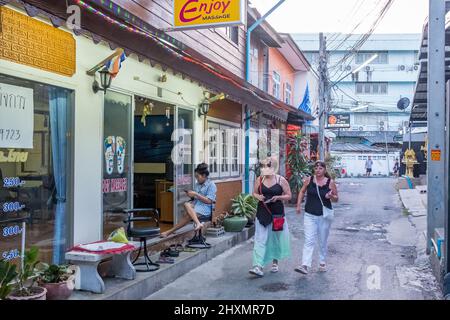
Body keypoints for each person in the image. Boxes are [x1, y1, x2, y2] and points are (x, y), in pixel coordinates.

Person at [249, 156, 292, 277]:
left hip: (277, 213)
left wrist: (278, 197)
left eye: (266, 166)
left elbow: (289, 195)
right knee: (260, 239)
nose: (263, 168)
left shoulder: (281, 180)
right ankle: (258, 266)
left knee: (275, 238)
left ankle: (275, 262)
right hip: (263, 211)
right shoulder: (260, 179)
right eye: (262, 166)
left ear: (273, 167)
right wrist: (258, 197)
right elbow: (254, 193)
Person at [295, 160, 339, 275]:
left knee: (322, 240)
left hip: (323, 216)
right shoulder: (309, 180)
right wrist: (298, 205)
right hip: (309, 214)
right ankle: (305, 265)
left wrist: (330, 196)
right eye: (316, 168)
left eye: (320, 168)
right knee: (309, 240)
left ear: (324, 170)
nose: (318, 170)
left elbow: (336, 198)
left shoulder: (330, 182)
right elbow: (302, 191)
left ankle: (322, 261)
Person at [160, 163, 216, 238]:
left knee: (187, 216)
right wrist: (191, 195)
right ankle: (198, 224)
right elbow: (195, 198)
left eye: (197, 176)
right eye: (195, 177)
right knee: (186, 204)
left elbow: (209, 201)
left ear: (204, 176)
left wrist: (196, 194)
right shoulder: (197, 184)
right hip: (196, 205)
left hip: (205, 208)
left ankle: (169, 232)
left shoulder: (211, 185)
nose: (196, 179)